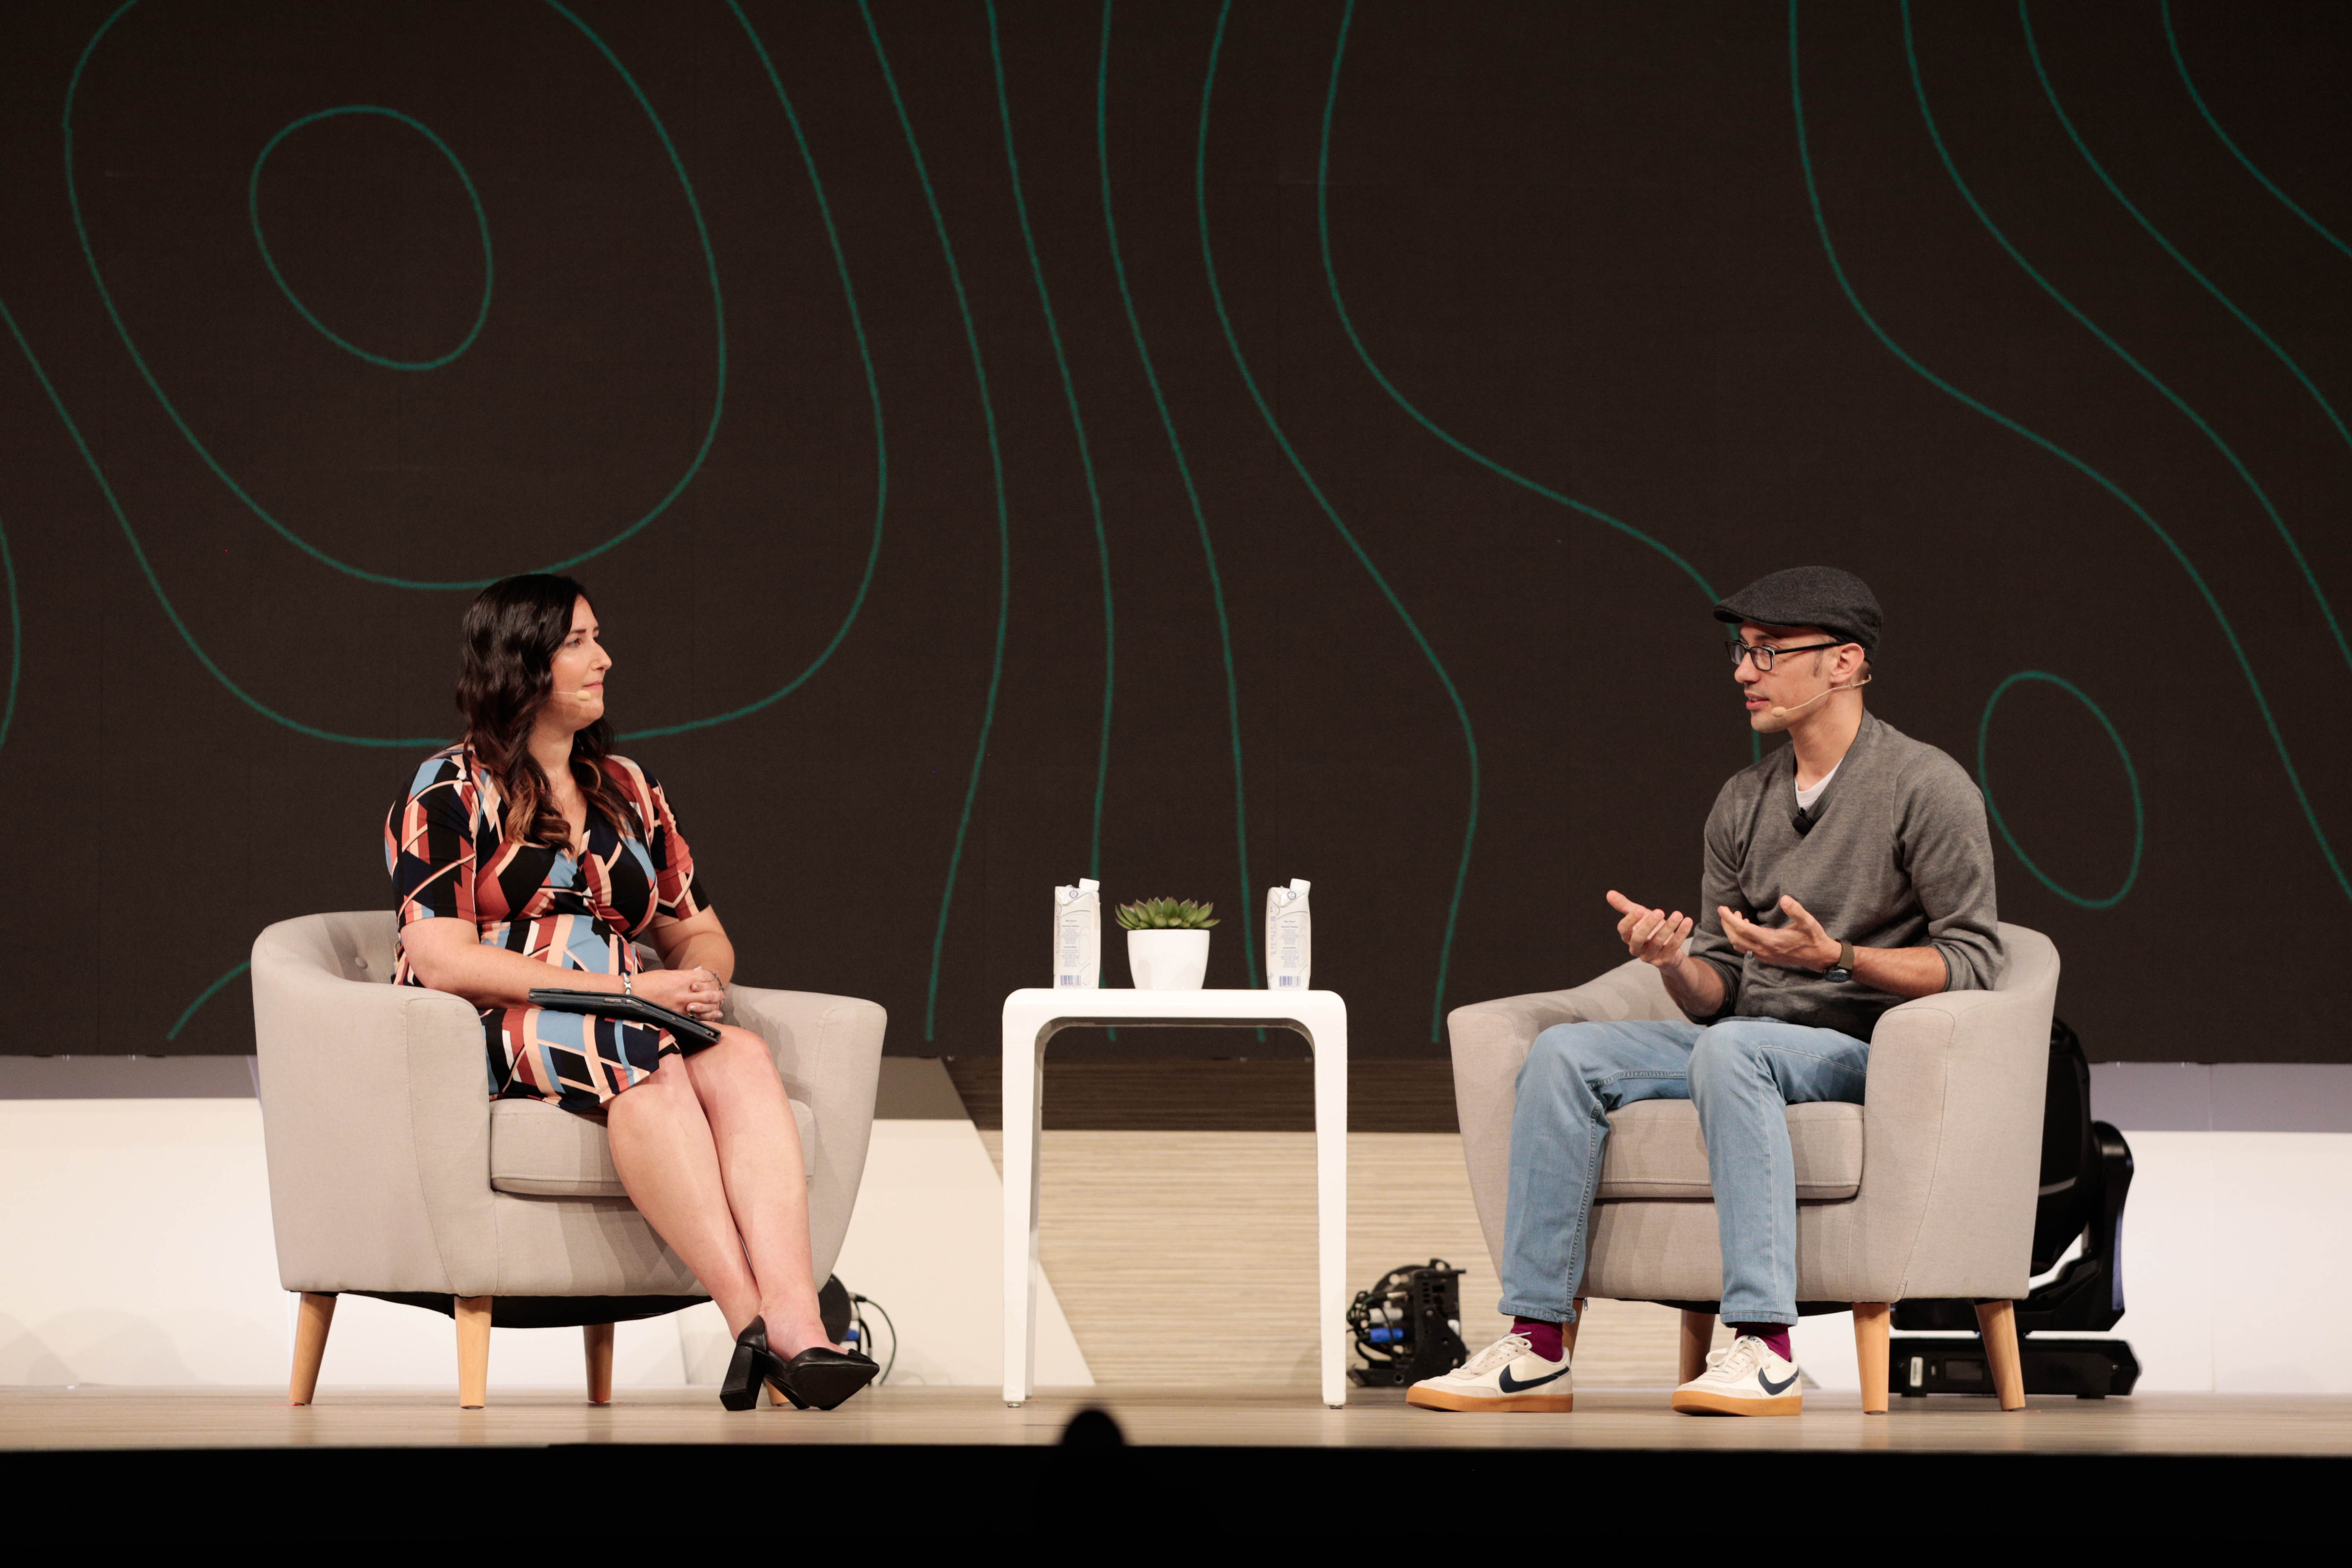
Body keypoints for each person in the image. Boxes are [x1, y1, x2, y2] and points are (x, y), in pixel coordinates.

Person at [1409, 565, 2002, 1416]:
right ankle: (1538, 1342)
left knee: (1735, 1049)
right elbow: (1718, 989)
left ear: (1844, 662)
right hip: (1750, 1036)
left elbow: (1975, 960)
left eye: (1766, 652)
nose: (1742, 672)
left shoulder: (1925, 785)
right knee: (1564, 1052)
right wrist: (1674, 961)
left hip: (1864, 1047)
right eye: (1739, 652)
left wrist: (1837, 954)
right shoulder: (1742, 800)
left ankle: (1763, 1343)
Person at [386, 573, 877, 1411]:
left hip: (630, 1004)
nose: (603, 657)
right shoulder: (449, 788)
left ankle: (797, 1318)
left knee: (744, 1053)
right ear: (521, 661)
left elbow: (699, 928)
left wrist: (698, 984)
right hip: (501, 1013)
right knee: (644, 1051)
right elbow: (440, 956)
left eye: (596, 637)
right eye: (578, 640)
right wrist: (621, 988)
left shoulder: (629, 786)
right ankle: (747, 1314)